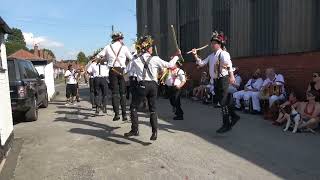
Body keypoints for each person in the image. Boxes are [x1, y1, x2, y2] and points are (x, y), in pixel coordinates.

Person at [124, 35, 180, 140]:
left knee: (133, 107)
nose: (152, 49)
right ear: (148, 48)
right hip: (154, 86)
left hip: (142, 85)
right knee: (153, 109)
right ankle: (154, 133)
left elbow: (125, 71)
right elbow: (170, 65)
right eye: (151, 47)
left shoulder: (135, 60)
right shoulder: (155, 59)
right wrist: (176, 55)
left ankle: (134, 129)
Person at [192, 31, 240, 133]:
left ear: (220, 44)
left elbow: (229, 65)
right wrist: (195, 55)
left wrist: (231, 76)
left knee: (222, 102)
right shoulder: (211, 56)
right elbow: (201, 64)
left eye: (214, 43)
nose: (212, 45)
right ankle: (234, 116)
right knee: (224, 101)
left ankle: (226, 124)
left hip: (223, 79)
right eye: (212, 43)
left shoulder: (223, 54)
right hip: (216, 80)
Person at [96, 32, 133, 121]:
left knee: (115, 94)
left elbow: (98, 56)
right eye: (122, 39)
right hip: (121, 71)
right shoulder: (124, 47)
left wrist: (105, 60)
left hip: (112, 71)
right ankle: (124, 115)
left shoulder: (108, 47)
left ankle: (116, 114)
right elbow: (131, 58)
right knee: (123, 94)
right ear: (120, 39)